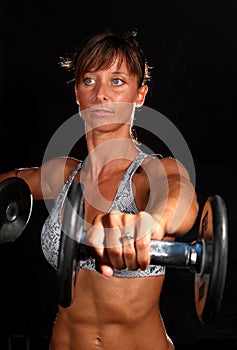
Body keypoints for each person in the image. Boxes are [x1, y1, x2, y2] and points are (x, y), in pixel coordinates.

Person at [0, 29, 199, 350]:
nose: (101, 94)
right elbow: (8, 185)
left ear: (140, 94)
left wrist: (150, 224)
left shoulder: (151, 173)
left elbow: (179, 200)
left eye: (117, 81)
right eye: (89, 81)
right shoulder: (63, 174)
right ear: (77, 95)